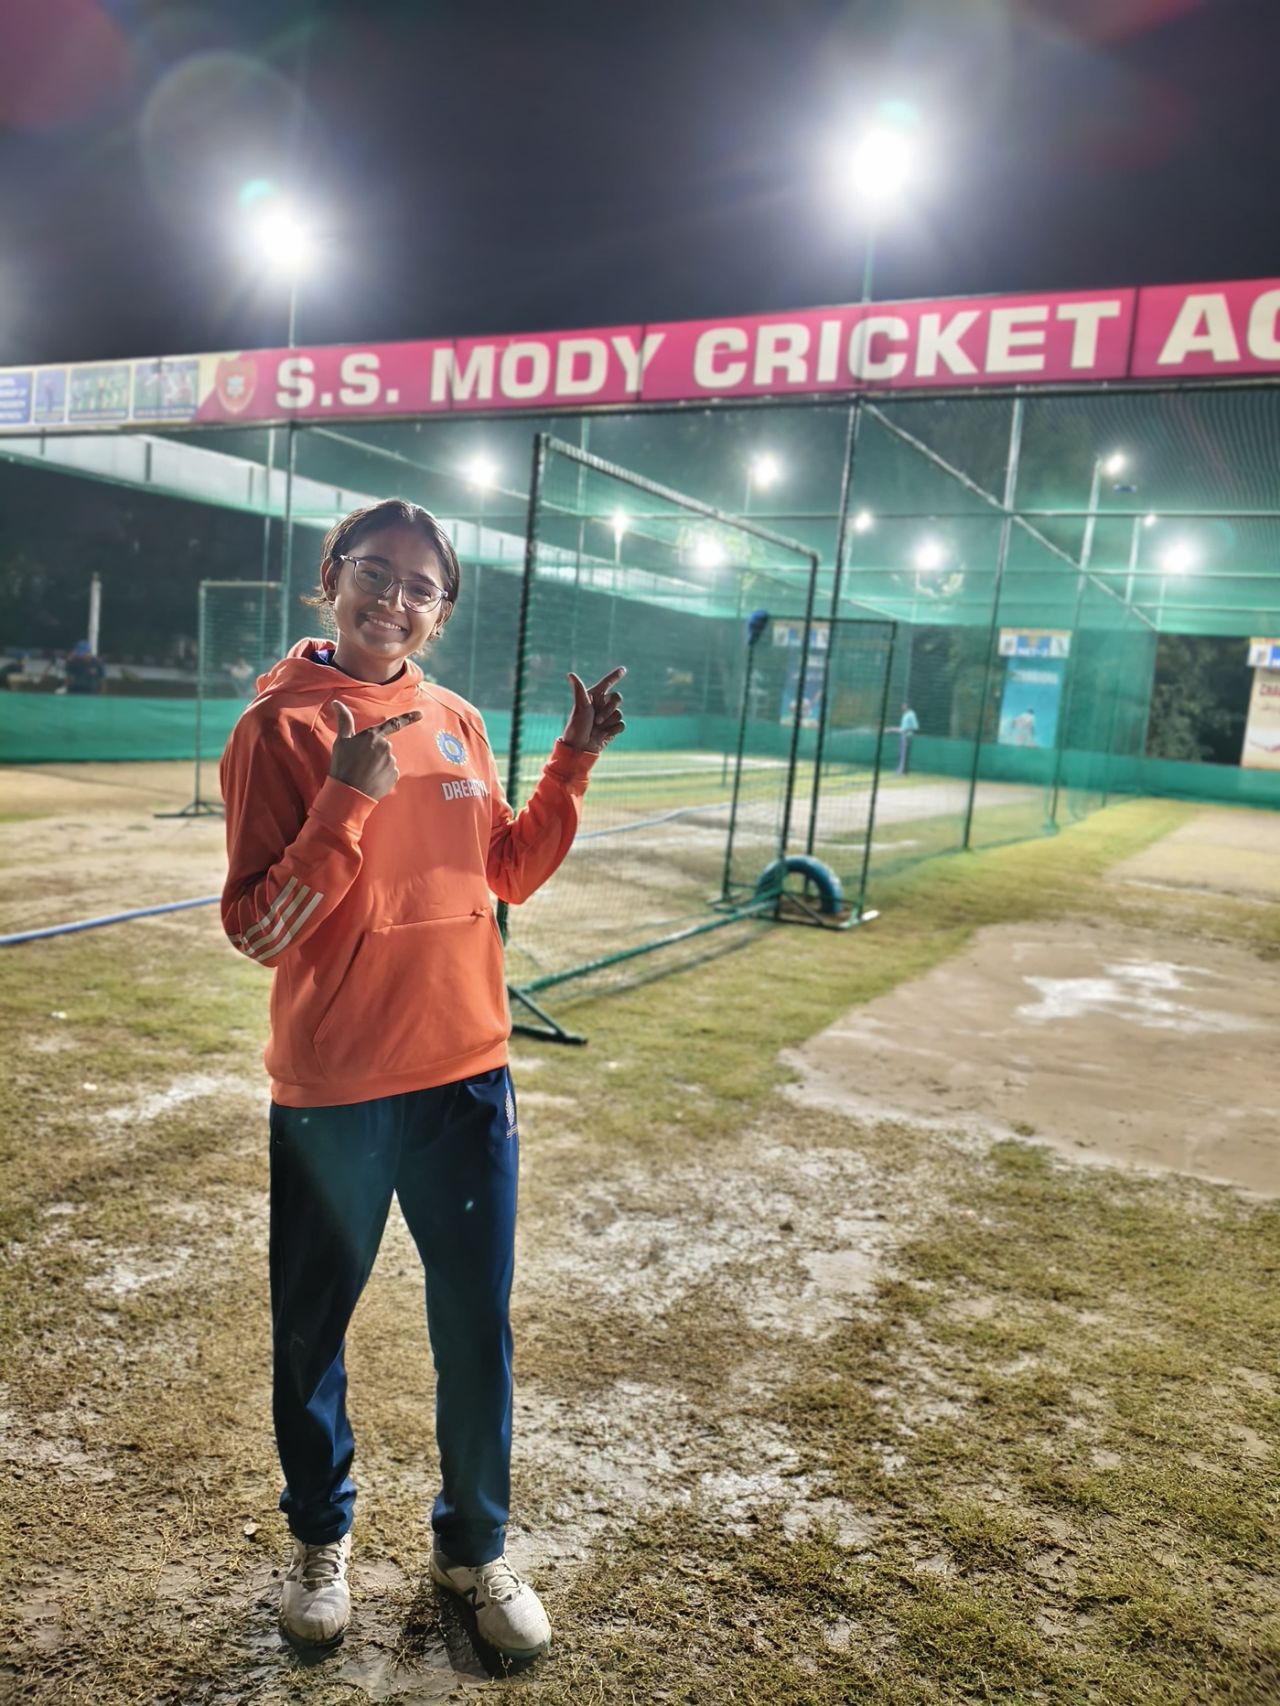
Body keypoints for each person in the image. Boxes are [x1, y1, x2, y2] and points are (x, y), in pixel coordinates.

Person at [219, 498, 625, 1658]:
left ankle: (472, 1545)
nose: (392, 600)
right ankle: (319, 1536)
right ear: (332, 575)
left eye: (420, 586)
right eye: (375, 572)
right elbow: (258, 927)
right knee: (312, 1333)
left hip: (465, 1079)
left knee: (473, 1326)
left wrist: (573, 761)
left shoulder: (455, 720)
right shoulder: (277, 726)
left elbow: (508, 868)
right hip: (336, 1091)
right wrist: (346, 796)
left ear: (440, 611)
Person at [895, 700, 919, 775]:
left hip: (908, 737)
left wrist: (905, 731)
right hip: (902, 736)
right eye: (902, 705)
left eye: (903, 705)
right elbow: (903, 727)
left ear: (907, 706)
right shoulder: (904, 714)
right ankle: (901, 770)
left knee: (905, 754)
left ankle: (905, 772)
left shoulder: (911, 714)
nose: (902, 707)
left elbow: (915, 727)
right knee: (901, 754)